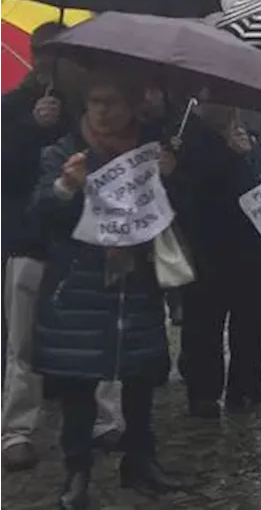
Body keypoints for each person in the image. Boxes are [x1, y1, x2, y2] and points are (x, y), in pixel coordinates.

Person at [31, 72, 188, 509]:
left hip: (134, 285)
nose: (102, 111)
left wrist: (170, 179)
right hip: (79, 287)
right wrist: (66, 187)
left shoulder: (150, 155)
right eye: (95, 102)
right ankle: (77, 471)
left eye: (112, 103)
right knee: (79, 387)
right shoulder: (62, 152)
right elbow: (42, 214)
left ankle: (141, 461)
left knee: (139, 378)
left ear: (133, 107)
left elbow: (170, 216)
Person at [0, 23, 124, 473]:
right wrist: (31, 128)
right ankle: (17, 430)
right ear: (40, 58)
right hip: (28, 238)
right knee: (23, 342)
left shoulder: (84, 110)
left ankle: (106, 419)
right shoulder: (12, 106)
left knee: (97, 330)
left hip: (82, 240)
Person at [175, 103, 261, 416]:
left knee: (251, 317)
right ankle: (205, 392)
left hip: (253, 241)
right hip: (210, 243)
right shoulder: (189, 135)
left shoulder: (249, 133)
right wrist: (230, 155)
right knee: (206, 321)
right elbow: (191, 185)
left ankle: (248, 383)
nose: (229, 107)